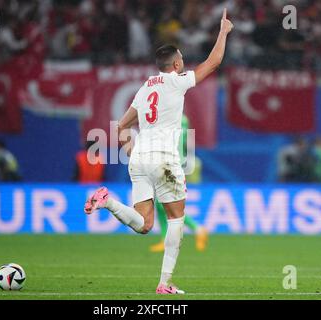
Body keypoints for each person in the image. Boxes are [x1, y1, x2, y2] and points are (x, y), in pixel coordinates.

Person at [84, 9, 233, 294]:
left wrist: (132, 151)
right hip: (164, 159)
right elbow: (213, 62)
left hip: (139, 158)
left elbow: (121, 126)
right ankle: (164, 284)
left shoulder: (144, 88)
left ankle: (108, 203)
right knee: (176, 219)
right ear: (176, 64)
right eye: (182, 60)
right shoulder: (176, 82)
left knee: (144, 224)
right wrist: (223, 31)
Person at [150, 115, 208, 253]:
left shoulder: (169, 119)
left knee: (166, 203)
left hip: (169, 164)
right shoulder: (182, 119)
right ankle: (165, 240)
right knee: (160, 204)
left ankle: (197, 229)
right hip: (172, 163)